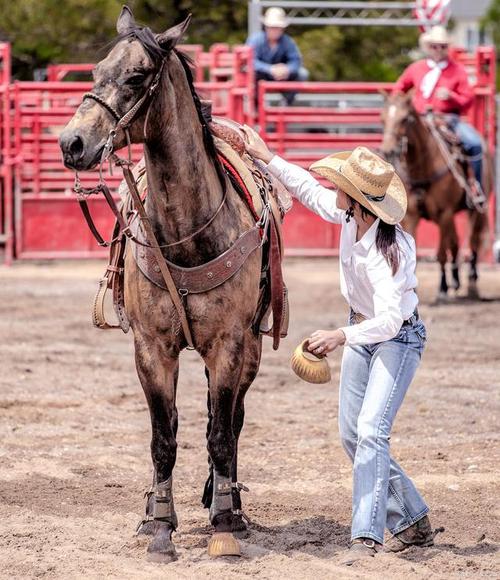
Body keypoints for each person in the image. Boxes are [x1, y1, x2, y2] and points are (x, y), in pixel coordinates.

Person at [241, 125, 439, 565]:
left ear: (357, 198)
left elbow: (389, 319)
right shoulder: (352, 219)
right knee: (354, 434)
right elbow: (309, 190)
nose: (334, 189)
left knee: (370, 432)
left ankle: (366, 537)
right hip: (361, 333)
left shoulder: (392, 252)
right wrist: (266, 156)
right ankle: (412, 518)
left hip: (397, 339)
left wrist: (339, 336)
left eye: (341, 186)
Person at [393, 25, 484, 200]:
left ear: (446, 48)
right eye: (435, 46)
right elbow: (399, 87)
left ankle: (475, 186)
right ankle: (395, 189)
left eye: (442, 46)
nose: (438, 50)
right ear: (428, 47)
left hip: (448, 119)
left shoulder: (457, 70)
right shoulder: (416, 68)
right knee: (395, 145)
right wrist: (401, 101)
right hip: (419, 119)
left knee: (474, 144)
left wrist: (451, 97)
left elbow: (468, 99)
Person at [246, 7, 309, 105]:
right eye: (272, 27)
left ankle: (286, 103)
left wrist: (287, 69)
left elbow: (296, 61)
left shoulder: (288, 42)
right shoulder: (256, 40)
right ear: (266, 27)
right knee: (250, 74)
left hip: (283, 76)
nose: (274, 30)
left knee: (302, 73)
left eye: (277, 27)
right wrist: (270, 69)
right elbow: (250, 61)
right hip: (261, 75)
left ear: (282, 29)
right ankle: (256, 105)